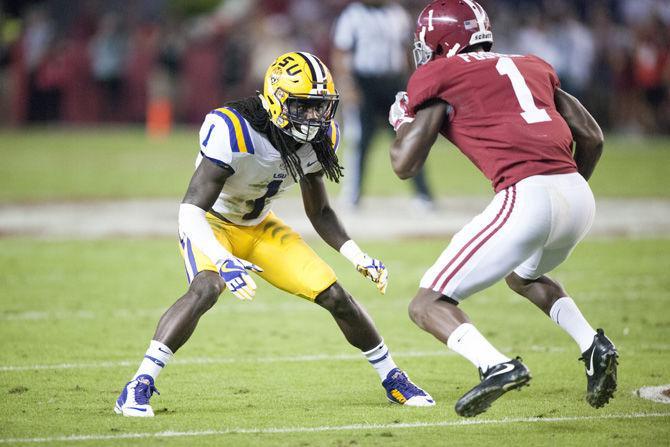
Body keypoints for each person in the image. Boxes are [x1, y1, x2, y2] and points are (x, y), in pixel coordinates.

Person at [114, 51, 434, 417]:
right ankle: (138, 385)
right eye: (303, 106)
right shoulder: (233, 130)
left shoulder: (320, 137)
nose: (314, 118)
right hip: (213, 225)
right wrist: (222, 260)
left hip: (262, 227)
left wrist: (356, 255)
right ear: (276, 100)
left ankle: (392, 376)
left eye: (320, 107)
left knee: (335, 295)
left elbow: (320, 211)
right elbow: (189, 211)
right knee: (206, 288)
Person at [388, 0, 618, 417]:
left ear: (441, 41)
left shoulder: (440, 73)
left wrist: (403, 122)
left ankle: (495, 365)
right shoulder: (532, 64)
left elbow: (404, 165)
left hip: (527, 195)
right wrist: (562, 189)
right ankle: (592, 344)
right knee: (523, 276)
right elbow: (592, 136)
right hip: (578, 197)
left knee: (427, 304)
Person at [332, 0, 435, 209]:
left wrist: (414, 84)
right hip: (365, 84)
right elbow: (340, 53)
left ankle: (423, 195)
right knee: (360, 140)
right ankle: (352, 195)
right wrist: (347, 85)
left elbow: (407, 52)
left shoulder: (397, 13)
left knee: (409, 137)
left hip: (393, 83)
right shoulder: (352, 15)